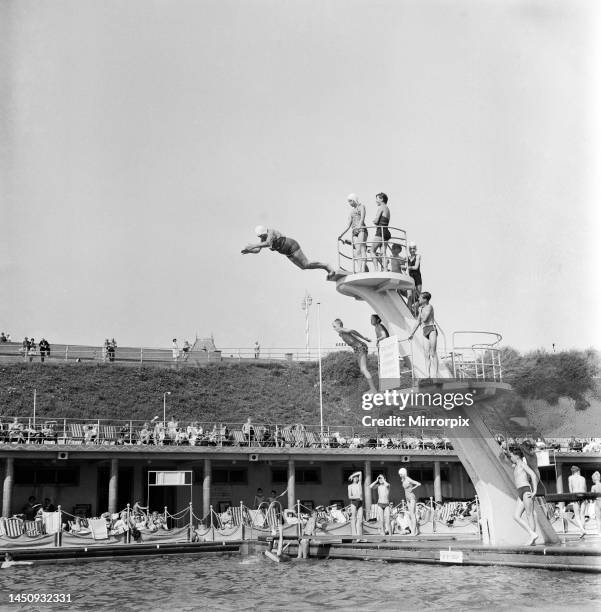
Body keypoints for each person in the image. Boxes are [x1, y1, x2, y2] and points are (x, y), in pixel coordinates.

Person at [241, 226, 335, 279]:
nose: (262, 237)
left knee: (306, 263)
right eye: (261, 236)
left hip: (292, 246)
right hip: (288, 252)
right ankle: (325, 267)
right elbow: (257, 250)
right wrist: (249, 251)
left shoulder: (271, 232)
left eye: (263, 235)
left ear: (265, 231)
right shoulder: (263, 238)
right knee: (304, 267)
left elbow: (268, 243)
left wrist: (253, 245)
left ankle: (326, 266)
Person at [332, 319, 377, 393]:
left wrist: (364, 338)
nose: (334, 328)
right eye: (333, 327)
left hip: (360, 347)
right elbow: (353, 336)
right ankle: (372, 388)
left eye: (334, 326)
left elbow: (353, 331)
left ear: (339, 325)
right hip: (357, 349)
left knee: (363, 369)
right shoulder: (341, 333)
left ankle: (373, 389)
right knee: (362, 370)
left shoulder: (342, 330)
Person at [506, 448, 539, 545]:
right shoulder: (515, 465)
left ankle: (532, 539)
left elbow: (533, 475)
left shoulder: (522, 464)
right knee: (516, 516)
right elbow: (507, 459)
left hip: (526, 490)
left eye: (512, 456)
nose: (511, 458)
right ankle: (532, 534)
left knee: (529, 515)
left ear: (517, 456)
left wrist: (535, 491)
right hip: (520, 491)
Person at [408, 292, 439, 378]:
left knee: (433, 353)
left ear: (425, 299)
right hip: (424, 330)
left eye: (420, 298)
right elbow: (418, 321)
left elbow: (424, 319)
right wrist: (412, 333)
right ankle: (428, 375)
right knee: (426, 354)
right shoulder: (420, 309)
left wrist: (420, 310)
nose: (418, 299)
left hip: (431, 329)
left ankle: (436, 375)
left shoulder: (429, 307)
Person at [338, 194, 368, 272]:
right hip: (354, 232)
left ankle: (362, 269)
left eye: (350, 201)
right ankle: (360, 269)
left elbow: (362, 218)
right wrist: (341, 234)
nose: (350, 203)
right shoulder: (351, 212)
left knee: (362, 249)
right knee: (356, 251)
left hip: (361, 229)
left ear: (354, 199)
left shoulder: (361, 206)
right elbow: (348, 225)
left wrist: (359, 226)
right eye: (349, 202)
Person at [371, 193, 391, 271]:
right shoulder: (387, 208)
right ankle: (385, 269)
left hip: (380, 232)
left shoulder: (381, 207)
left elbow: (376, 221)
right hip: (386, 232)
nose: (376, 201)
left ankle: (376, 269)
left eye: (377, 199)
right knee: (383, 253)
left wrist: (374, 221)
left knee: (372, 251)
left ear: (381, 199)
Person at [398, 467, 421, 535]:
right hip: (407, 498)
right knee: (411, 514)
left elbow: (418, 483)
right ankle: (416, 530)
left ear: (404, 473)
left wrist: (412, 488)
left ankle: (414, 531)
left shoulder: (408, 479)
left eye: (401, 474)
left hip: (411, 497)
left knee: (412, 514)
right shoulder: (403, 480)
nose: (400, 475)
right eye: (399, 474)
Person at [568, 465, 587, 535]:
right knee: (582, 514)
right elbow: (585, 489)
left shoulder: (570, 477)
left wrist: (571, 498)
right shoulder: (583, 478)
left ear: (572, 472)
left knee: (577, 515)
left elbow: (570, 489)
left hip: (575, 495)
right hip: (583, 495)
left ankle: (582, 529)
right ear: (578, 471)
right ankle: (582, 531)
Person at [407, 242, 422, 316]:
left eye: (413, 248)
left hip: (417, 277)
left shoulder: (418, 256)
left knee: (419, 296)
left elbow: (416, 267)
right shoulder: (407, 258)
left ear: (415, 249)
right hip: (410, 277)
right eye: (410, 248)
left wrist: (407, 267)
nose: (412, 250)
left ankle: (417, 311)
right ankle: (409, 312)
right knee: (409, 296)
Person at [347, 471, 364, 538]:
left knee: (360, 520)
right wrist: (358, 497)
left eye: (357, 477)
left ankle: (359, 536)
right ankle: (354, 536)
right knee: (354, 519)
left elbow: (360, 472)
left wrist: (353, 474)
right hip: (354, 502)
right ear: (352, 478)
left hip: (360, 503)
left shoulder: (359, 484)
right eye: (355, 477)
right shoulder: (350, 486)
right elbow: (349, 497)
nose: (356, 478)